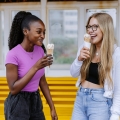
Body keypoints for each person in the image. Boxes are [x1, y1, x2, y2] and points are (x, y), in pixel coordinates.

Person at [4, 11, 58, 120]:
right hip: (18, 102)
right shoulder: (13, 54)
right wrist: (35, 67)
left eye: (44, 32)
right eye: (39, 32)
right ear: (25, 31)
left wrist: (52, 107)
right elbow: (13, 89)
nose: (42, 36)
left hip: (35, 100)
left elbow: (42, 81)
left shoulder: (40, 51)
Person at [70, 13, 120, 120]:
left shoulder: (115, 53)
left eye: (95, 27)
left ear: (105, 28)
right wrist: (79, 59)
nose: (90, 30)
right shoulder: (84, 48)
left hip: (100, 103)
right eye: (89, 27)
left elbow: (118, 89)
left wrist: (115, 115)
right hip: (80, 98)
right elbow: (73, 73)